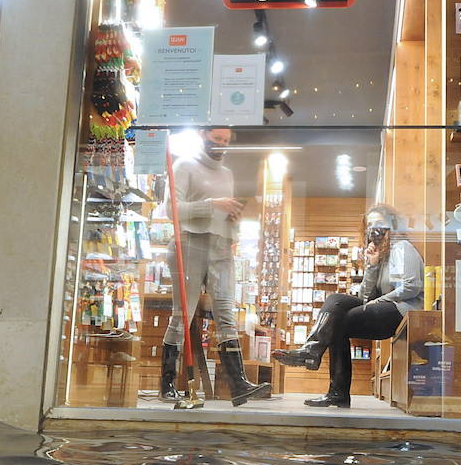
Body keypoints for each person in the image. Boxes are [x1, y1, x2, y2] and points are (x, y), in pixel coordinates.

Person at [161, 126, 271, 406]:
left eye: (226, 140)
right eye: (216, 138)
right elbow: (171, 209)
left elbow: (220, 212)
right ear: (203, 135)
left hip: (221, 247)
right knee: (182, 315)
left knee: (226, 315)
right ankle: (167, 383)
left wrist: (232, 219)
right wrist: (212, 205)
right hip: (190, 244)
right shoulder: (184, 165)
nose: (221, 144)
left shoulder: (227, 174)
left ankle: (238, 383)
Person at [275, 204, 424, 408]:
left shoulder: (402, 248)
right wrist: (372, 265)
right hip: (384, 309)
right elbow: (365, 296)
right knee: (335, 301)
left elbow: (411, 287)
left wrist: (378, 301)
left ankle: (321, 366)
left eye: (379, 223)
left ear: (392, 224)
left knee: (339, 322)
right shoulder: (382, 255)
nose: (374, 229)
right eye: (370, 225)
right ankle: (316, 356)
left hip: (402, 311)